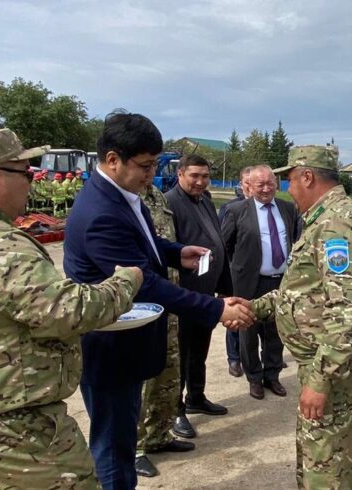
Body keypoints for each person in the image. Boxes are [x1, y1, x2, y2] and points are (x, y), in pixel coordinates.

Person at [0, 128, 144, 488]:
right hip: (16, 431)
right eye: (25, 172)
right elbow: (65, 313)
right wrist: (125, 281)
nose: (32, 181)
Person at [64, 111, 254, 489]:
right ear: (113, 159)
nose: (151, 174)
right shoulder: (102, 212)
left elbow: (144, 247)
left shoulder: (122, 195)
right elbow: (143, 284)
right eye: (146, 165)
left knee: (120, 437)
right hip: (112, 346)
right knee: (115, 449)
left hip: (128, 342)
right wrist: (216, 308)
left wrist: (175, 252)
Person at [252, 144, 352, 489]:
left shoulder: (336, 224)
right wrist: (254, 307)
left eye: (290, 180)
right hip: (327, 362)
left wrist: (320, 380)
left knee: (328, 463)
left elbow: (346, 311)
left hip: (333, 367)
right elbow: (307, 292)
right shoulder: (326, 219)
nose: (287, 190)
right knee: (319, 456)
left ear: (308, 176)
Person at [165, 154, 233, 437]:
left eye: (205, 176)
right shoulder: (170, 203)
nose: (200, 182)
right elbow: (167, 248)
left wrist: (225, 286)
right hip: (183, 294)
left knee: (199, 350)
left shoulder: (205, 200)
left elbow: (218, 242)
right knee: (180, 354)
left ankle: (196, 397)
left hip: (205, 292)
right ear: (180, 174)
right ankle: (176, 410)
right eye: (194, 176)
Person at [222, 164, 301, 399]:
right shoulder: (237, 211)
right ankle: (254, 378)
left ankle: (272, 375)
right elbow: (224, 245)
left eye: (270, 183)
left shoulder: (288, 208)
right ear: (250, 186)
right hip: (248, 283)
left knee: (277, 332)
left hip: (280, 282)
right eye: (260, 184)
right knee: (248, 332)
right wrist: (228, 282)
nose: (266, 189)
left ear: (276, 184)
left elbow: (297, 241)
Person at [134, 183, 194, 478]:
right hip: (142, 302)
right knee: (142, 377)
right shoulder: (124, 198)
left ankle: (160, 434)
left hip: (169, 293)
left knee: (169, 369)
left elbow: (164, 242)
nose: (151, 171)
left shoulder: (157, 196)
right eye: (146, 163)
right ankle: (135, 448)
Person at [219, 165, 253, 378]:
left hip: (260, 274)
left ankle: (256, 359)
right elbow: (224, 242)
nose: (251, 187)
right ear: (242, 184)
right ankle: (234, 359)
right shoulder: (230, 208)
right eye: (247, 183)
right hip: (236, 272)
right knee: (235, 316)